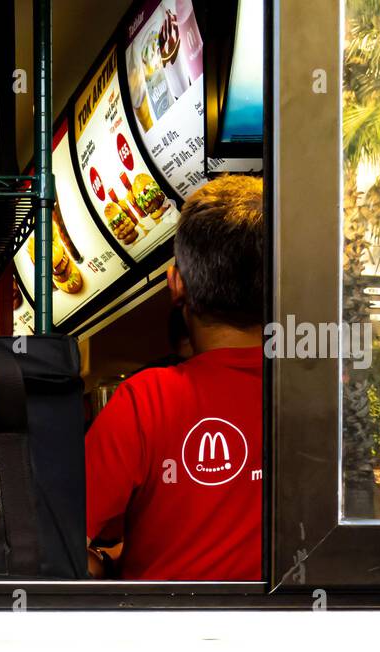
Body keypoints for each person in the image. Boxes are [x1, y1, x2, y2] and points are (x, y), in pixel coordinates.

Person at [84, 175, 264, 581]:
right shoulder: (316, 398)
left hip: (158, 640)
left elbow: (49, 544)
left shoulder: (144, 401)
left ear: (176, 283)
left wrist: (105, 564)